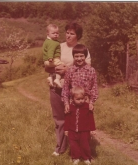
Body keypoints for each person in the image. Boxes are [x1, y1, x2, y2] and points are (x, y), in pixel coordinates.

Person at [47, 22, 91, 156]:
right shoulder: (58, 46)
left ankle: (77, 149)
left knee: (75, 119)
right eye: (67, 32)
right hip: (56, 86)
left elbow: (87, 68)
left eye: (72, 33)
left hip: (74, 90)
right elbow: (46, 65)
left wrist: (68, 70)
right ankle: (60, 148)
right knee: (59, 118)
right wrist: (54, 68)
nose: (68, 35)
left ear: (78, 36)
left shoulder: (82, 50)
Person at [62, 44, 98, 114]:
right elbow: (65, 88)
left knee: (85, 122)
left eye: (81, 56)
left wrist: (91, 102)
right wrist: (66, 103)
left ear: (85, 56)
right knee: (72, 122)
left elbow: (94, 88)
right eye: (76, 56)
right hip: (73, 102)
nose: (79, 59)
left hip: (86, 102)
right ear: (73, 57)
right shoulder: (70, 70)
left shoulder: (91, 70)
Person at [64, 86, 96, 165]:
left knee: (85, 144)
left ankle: (86, 157)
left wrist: (92, 129)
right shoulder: (70, 107)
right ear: (73, 99)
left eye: (82, 98)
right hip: (72, 130)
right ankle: (76, 157)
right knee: (74, 145)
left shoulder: (87, 107)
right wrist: (66, 129)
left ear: (84, 97)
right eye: (78, 99)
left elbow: (91, 118)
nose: (80, 101)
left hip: (84, 131)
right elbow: (67, 119)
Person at [42, 24, 64, 88]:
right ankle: (57, 79)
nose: (55, 34)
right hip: (51, 59)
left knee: (53, 69)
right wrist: (50, 58)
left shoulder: (47, 41)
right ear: (48, 34)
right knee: (61, 66)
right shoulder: (53, 42)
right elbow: (50, 51)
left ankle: (50, 77)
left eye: (57, 33)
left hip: (46, 61)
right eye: (53, 33)